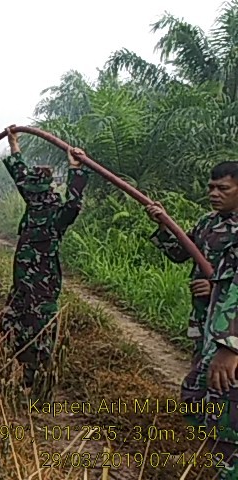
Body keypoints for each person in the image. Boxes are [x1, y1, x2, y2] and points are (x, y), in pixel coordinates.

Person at [146, 161, 238, 479]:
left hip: (231, 331)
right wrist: (163, 226)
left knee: (226, 393)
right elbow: (180, 252)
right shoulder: (208, 224)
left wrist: (215, 286)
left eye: (223, 188)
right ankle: (211, 453)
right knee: (198, 389)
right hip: (206, 322)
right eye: (211, 187)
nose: (214, 193)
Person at [0, 127, 90, 396]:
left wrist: (77, 169)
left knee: (39, 336)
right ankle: (20, 376)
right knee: (11, 325)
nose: (30, 194)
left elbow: (74, 204)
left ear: (44, 191)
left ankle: (40, 388)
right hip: (21, 286)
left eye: (34, 191)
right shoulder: (34, 203)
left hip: (43, 289)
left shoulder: (55, 215)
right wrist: (13, 144)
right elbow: (20, 174)